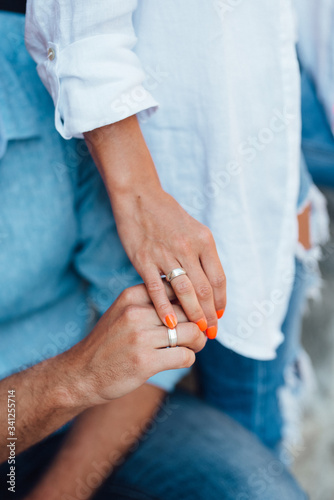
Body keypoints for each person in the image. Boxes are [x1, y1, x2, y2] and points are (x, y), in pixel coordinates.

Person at [0, 10, 307, 499]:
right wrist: (73, 377)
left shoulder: (33, 68)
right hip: (60, 390)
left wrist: (60, 491)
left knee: (258, 490)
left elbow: (147, 337)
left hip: (89, 421)